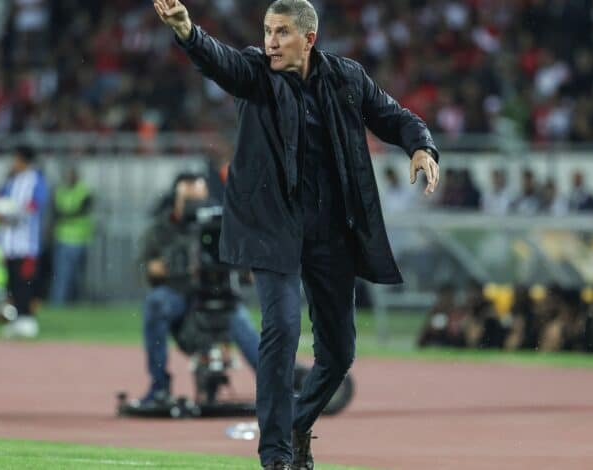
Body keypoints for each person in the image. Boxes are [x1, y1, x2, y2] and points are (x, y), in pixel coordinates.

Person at [152, 1, 440, 468]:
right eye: (267, 31)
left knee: (339, 355)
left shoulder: (347, 78)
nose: (270, 42)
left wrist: (421, 146)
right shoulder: (256, 73)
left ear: (308, 39)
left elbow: (393, 116)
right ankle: (276, 456)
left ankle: (297, 424)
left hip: (330, 231)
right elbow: (220, 63)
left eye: (281, 32)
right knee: (282, 328)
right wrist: (187, 31)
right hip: (272, 229)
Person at [137, 173, 260, 405]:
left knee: (243, 326)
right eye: (189, 200)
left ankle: (276, 386)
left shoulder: (220, 223)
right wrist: (160, 266)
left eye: (199, 199)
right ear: (176, 199)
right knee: (156, 302)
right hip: (178, 292)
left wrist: (248, 269)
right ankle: (159, 387)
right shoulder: (162, 228)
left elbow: (243, 263)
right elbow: (144, 266)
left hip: (218, 291)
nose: (195, 206)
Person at [0, 145, 49, 338]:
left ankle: (28, 319)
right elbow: (0, 199)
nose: (13, 163)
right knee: (12, 282)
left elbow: (36, 204)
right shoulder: (12, 180)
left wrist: (15, 211)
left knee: (24, 281)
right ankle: (18, 318)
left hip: (26, 243)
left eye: (16, 159)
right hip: (8, 242)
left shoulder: (36, 180)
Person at [49, 166, 94, 305]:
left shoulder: (84, 191)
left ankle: (76, 301)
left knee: (77, 276)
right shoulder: (60, 191)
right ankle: (59, 303)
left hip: (79, 239)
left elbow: (81, 210)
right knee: (62, 274)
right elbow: (56, 211)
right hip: (63, 238)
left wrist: (65, 215)